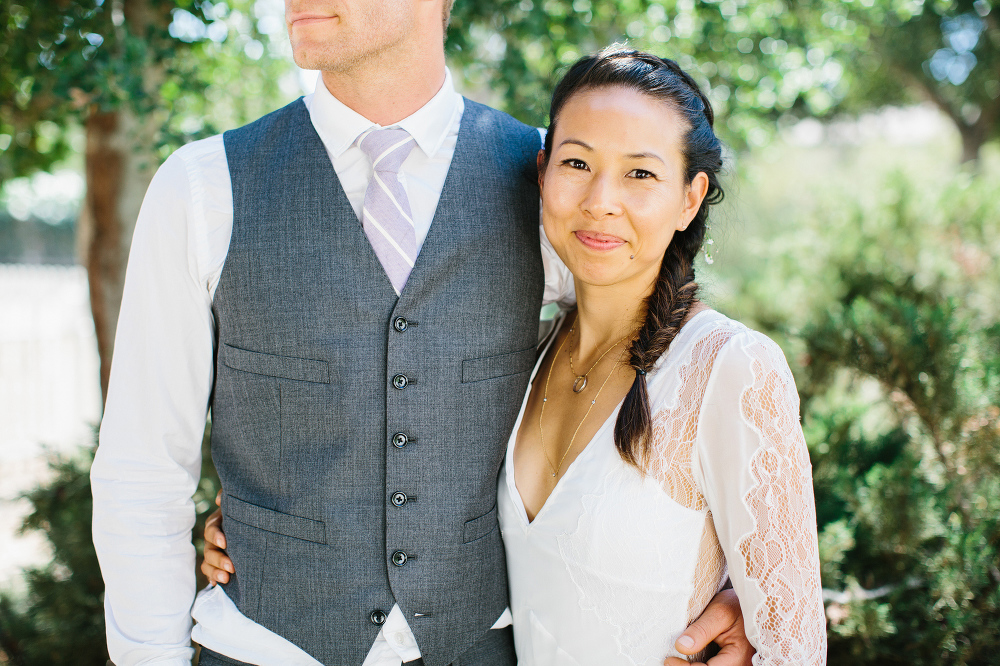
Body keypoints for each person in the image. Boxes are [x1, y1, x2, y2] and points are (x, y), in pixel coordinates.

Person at [90, 0, 756, 664]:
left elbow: (667, 383)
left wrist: (733, 590)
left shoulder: (558, 182)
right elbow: (143, 473)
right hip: (260, 647)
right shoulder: (203, 188)